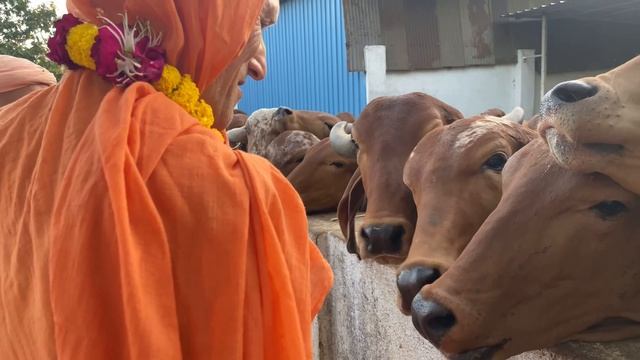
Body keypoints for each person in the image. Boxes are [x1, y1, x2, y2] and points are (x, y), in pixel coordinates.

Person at [0, 0, 332, 359]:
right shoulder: (231, 191)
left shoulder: (10, 132)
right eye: (254, 23)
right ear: (194, 14)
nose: (259, 66)